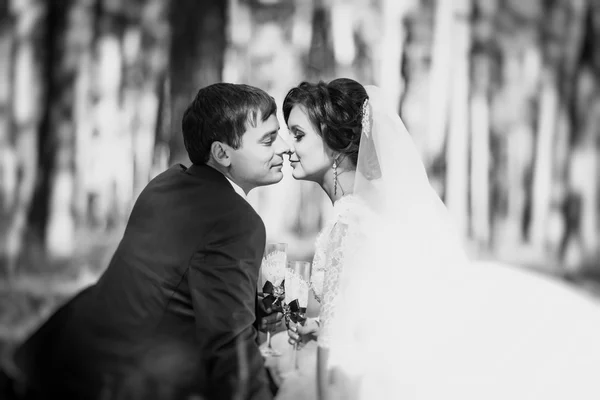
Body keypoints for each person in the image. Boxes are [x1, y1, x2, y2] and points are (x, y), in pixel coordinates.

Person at [274, 78, 600, 400]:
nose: (288, 147)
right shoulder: (367, 213)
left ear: (333, 141)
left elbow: (334, 336)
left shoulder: (347, 222)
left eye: (298, 135)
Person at [9, 83, 289, 400]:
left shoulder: (168, 182)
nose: (282, 147)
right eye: (268, 140)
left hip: (64, 354)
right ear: (222, 153)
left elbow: (186, 286)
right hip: (124, 383)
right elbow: (230, 339)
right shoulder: (240, 221)